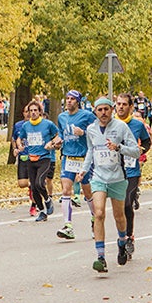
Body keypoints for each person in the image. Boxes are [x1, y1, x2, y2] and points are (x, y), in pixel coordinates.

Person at [77, 97, 142, 272]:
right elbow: (91, 151)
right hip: (98, 177)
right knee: (98, 213)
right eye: (100, 110)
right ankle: (101, 257)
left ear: (112, 110)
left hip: (118, 178)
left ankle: (122, 242)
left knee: (119, 216)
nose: (103, 113)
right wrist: (84, 170)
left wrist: (119, 147)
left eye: (106, 109)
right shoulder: (91, 129)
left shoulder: (121, 127)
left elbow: (136, 151)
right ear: (95, 112)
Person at [55, 91, 96, 240]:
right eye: (67, 99)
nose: (69, 101)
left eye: (72, 99)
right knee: (66, 190)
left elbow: (97, 132)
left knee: (88, 193)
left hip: (83, 158)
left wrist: (83, 132)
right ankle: (68, 226)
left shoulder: (87, 116)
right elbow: (61, 133)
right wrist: (57, 141)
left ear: (77, 102)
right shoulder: (62, 117)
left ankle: (94, 219)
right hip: (68, 157)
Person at [115, 94, 151, 244]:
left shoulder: (137, 125)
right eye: (118, 104)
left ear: (130, 107)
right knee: (118, 209)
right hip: (114, 171)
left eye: (124, 104)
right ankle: (122, 235)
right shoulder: (109, 124)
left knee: (127, 204)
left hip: (131, 171)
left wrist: (141, 150)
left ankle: (129, 236)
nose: (121, 107)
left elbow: (147, 142)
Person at [15, 101, 61, 220]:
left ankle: (47, 199)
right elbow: (20, 138)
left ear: (40, 112)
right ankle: (42, 211)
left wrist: (51, 143)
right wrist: (19, 147)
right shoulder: (26, 126)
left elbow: (58, 135)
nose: (33, 113)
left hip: (44, 158)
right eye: (31, 111)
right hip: (31, 159)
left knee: (39, 183)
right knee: (34, 188)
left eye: (35, 110)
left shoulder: (48, 124)